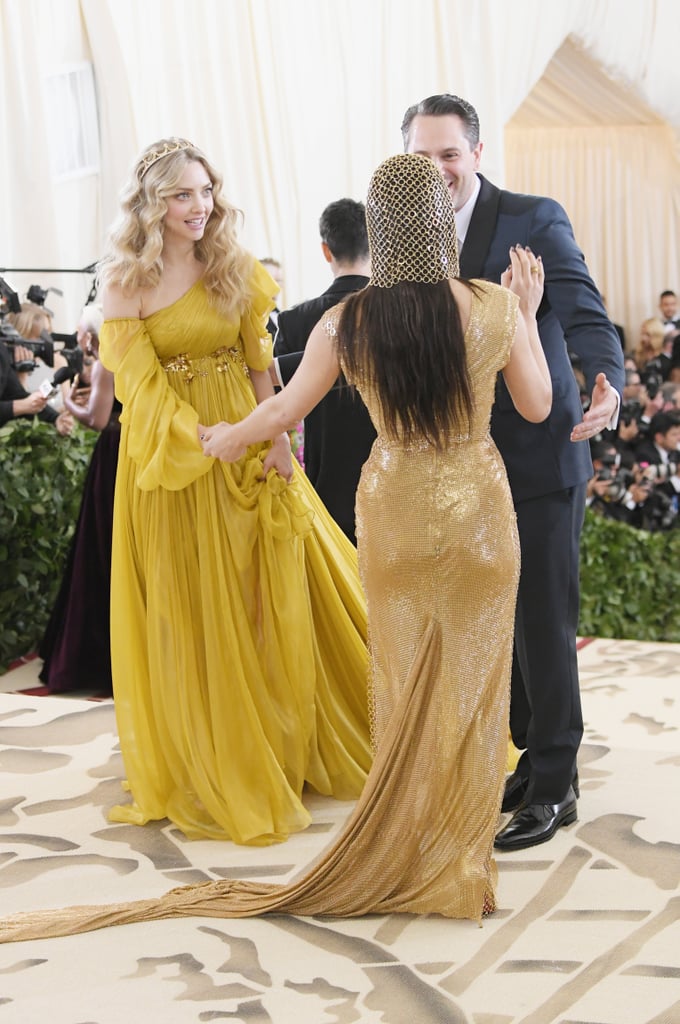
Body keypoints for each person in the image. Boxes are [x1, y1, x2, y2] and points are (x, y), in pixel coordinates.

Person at [0, 152, 552, 942]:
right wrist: (527, 316)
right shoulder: (496, 304)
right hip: (481, 517)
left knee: (397, 687)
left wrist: (225, 440)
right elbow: (535, 407)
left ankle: (407, 842)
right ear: (442, 217)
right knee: (474, 681)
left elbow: (284, 405)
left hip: (392, 509)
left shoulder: (347, 321)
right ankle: (464, 864)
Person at [90, 137, 372, 845]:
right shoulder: (126, 279)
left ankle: (281, 743)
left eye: (207, 192)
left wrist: (271, 438)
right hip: (171, 456)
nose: (199, 207)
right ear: (153, 202)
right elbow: (139, 387)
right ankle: (211, 751)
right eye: (183, 194)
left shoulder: (233, 264)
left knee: (263, 590)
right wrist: (199, 439)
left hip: (244, 435)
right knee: (192, 604)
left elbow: (257, 365)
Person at [401, 92, 625, 850]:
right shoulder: (402, 231)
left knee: (542, 618)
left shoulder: (533, 216)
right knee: (495, 620)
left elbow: (585, 309)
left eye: (449, 154)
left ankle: (556, 785)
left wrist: (608, 380)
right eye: (421, 157)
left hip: (540, 448)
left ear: (477, 153)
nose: (436, 170)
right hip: (457, 458)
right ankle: (533, 760)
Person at [272, 198, 376, 543]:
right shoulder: (397, 314)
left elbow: (278, 404)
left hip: (326, 472)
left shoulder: (294, 320)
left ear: (325, 250)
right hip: (389, 473)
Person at [38, 304, 120, 694]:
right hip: (132, 450)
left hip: (112, 455)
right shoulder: (126, 360)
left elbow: (97, 419)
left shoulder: (107, 363)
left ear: (89, 336)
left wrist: (69, 402)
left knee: (102, 545)